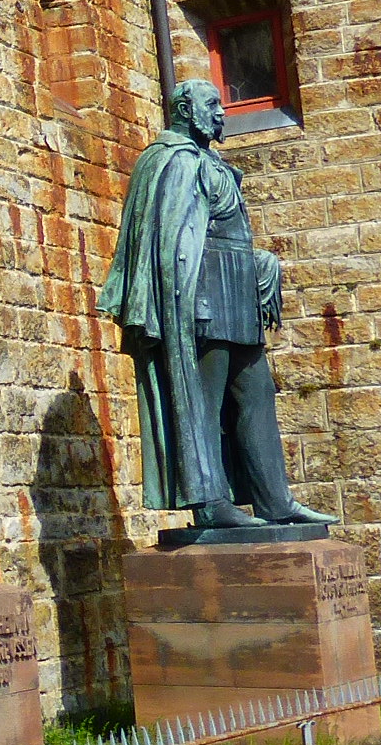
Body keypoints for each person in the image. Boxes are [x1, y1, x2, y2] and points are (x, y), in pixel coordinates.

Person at [101, 78, 335, 531]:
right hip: (201, 296)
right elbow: (167, 241)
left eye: (221, 104)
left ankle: (275, 500)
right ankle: (209, 501)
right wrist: (180, 304)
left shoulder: (210, 161)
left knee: (257, 394)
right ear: (185, 110)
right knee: (202, 401)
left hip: (236, 292)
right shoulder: (170, 160)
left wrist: (259, 262)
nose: (221, 112)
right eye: (211, 104)